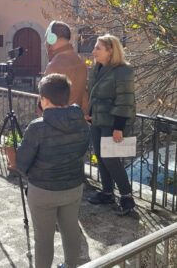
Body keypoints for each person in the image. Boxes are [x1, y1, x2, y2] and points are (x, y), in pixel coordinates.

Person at [15, 73, 90, 268]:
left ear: (44, 99)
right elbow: (82, 150)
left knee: (43, 239)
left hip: (43, 191)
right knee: (71, 231)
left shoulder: (37, 127)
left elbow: (21, 163)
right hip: (74, 186)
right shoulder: (82, 122)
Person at [86, 34, 136, 216]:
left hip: (113, 122)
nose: (93, 51)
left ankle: (127, 197)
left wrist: (118, 128)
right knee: (100, 156)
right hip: (97, 120)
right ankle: (107, 193)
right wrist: (90, 113)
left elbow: (125, 101)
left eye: (98, 48)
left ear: (110, 51)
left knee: (111, 159)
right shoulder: (98, 67)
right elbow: (93, 92)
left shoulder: (123, 71)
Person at [43, 21, 88, 114]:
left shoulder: (56, 64)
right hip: (76, 120)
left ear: (51, 38)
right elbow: (84, 95)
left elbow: (45, 102)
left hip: (57, 123)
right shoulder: (80, 61)